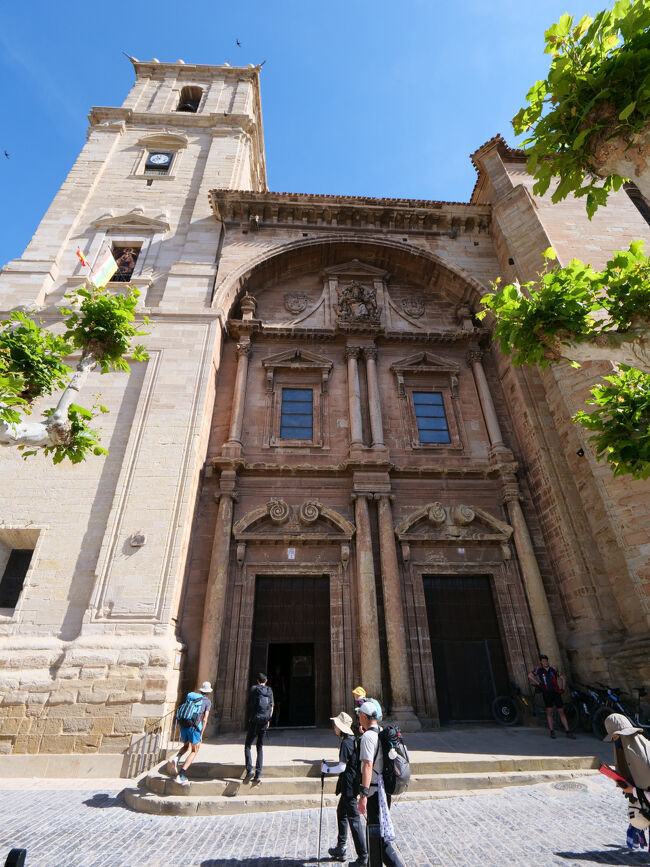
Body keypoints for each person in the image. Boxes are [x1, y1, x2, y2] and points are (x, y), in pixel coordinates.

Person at [356, 700, 405, 867]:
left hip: (374, 793)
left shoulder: (368, 738)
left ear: (363, 716)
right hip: (385, 790)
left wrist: (363, 794)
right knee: (376, 835)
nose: (358, 719)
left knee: (379, 839)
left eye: (359, 716)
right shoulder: (382, 733)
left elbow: (368, 766)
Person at [322, 711, 368, 865]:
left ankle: (363, 856)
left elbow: (342, 767)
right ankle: (341, 847)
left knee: (354, 819)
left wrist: (326, 769)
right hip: (350, 784)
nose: (334, 727)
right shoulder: (350, 739)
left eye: (336, 724)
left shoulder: (346, 743)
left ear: (341, 727)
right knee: (341, 812)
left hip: (349, 785)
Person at [604, 713, 650, 851]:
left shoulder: (645, 755)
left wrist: (633, 791)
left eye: (616, 737)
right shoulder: (633, 752)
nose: (615, 741)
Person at [168, 681, 212, 783]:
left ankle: (177, 758)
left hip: (184, 725)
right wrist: (201, 734)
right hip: (194, 727)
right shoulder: (207, 702)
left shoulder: (192, 697)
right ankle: (181, 775)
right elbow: (205, 719)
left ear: (201, 690)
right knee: (194, 751)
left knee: (186, 746)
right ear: (208, 692)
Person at [528, 654, 575, 739]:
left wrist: (563, 689)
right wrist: (538, 683)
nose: (545, 662)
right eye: (543, 661)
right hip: (547, 693)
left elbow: (563, 678)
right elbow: (530, 675)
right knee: (549, 712)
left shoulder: (554, 669)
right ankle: (552, 731)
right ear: (541, 662)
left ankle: (568, 731)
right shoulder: (539, 669)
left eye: (546, 660)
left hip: (556, 692)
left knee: (561, 711)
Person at [244, 672, 274, 783]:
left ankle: (249, 770)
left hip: (254, 720)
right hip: (264, 721)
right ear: (266, 681)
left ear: (257, 680)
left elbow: (248, 703)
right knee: (260, 746)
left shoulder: (253, 689)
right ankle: (258, 774)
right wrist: (269, 720)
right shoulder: (269, 690)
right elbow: (271, 706)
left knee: (248, 745)